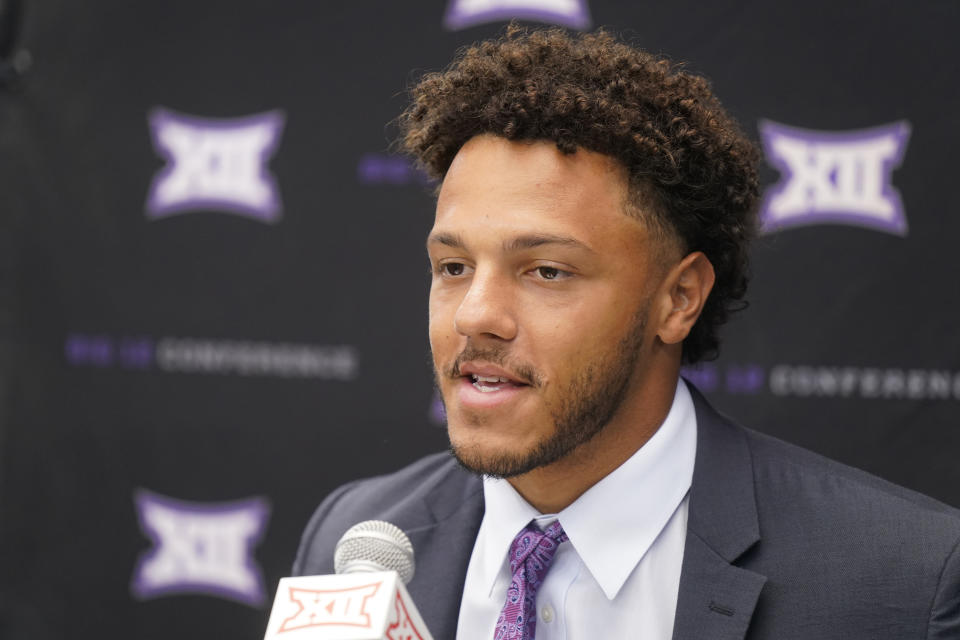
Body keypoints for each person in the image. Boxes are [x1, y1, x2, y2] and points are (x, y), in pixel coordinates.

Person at [293, 26, 960, 639]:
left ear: (679, 298)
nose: (474, 315)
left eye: (547, 271)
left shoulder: (902, 580)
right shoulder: (355, 540)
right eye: (454, 266)